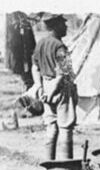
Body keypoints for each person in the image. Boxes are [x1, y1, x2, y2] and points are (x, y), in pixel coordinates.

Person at [31, 13, 77, 160]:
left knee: (51, 127)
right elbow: (64, 72)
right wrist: (54, 90)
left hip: (46, 86)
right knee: (65, 127)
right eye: (63, 24)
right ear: (55, 26)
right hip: (61, 88)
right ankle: (67, 166)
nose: (66, 26)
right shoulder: (60, 46)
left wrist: (40, 86)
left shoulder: (41, 44)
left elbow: (35, 67)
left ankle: (49, 165)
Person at [8, 12, 36, 89]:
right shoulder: (12, 28)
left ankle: (28, 84)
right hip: (19, 55)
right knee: (23, 71)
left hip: (27, 54)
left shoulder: (27, 27)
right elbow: (12, 44)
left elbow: (32, 41)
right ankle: (26, 83)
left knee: (28, 70)